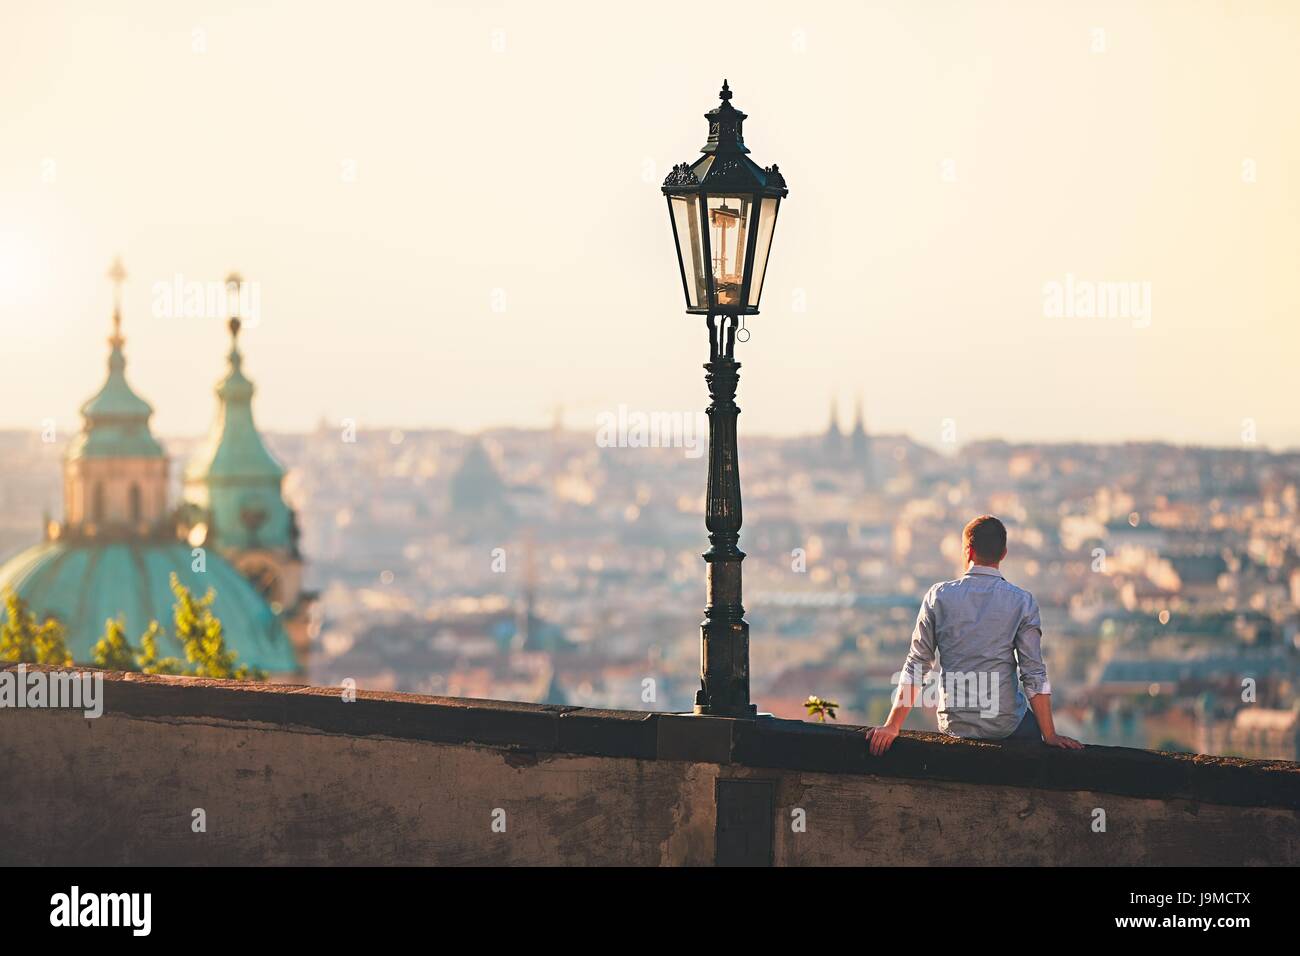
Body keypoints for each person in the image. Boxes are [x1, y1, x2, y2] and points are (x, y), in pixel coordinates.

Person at [866, 515, 1083, 756]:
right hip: (1004, 724)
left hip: (954, 723)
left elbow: (917, 664)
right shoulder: (1022, 602)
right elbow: (1033, 673)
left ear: (968, 551)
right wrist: (1050, 734)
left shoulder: (938, 596)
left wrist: (893, 725)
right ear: (1003, 554)